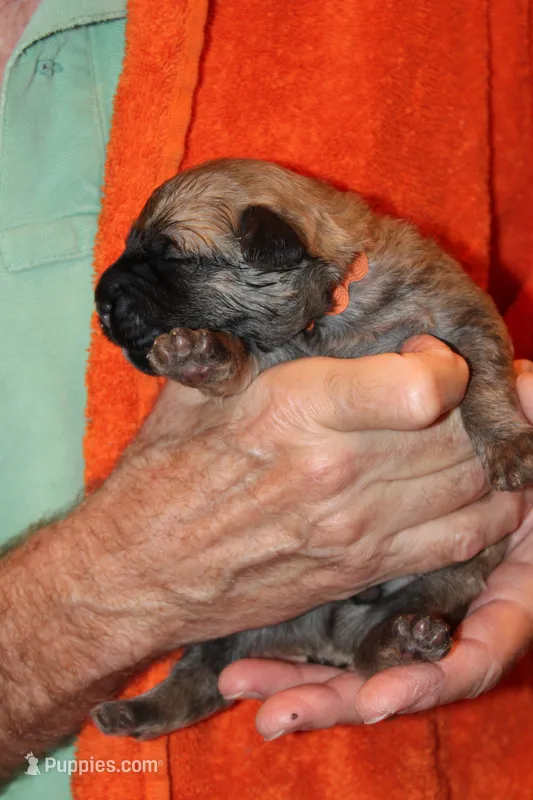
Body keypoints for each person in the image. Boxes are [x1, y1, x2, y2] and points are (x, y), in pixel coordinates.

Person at [0, 0, 532, 798]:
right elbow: (246, 389)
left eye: (171, 262)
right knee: (227, 642)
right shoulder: (269, 302)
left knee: (428, 600)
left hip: (430, 583)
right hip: (228, 634)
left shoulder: (396, 270)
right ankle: (178, 700)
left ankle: (381, 643)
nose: (126, 294)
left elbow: (482, 327)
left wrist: (506, 430)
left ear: (277, 249)